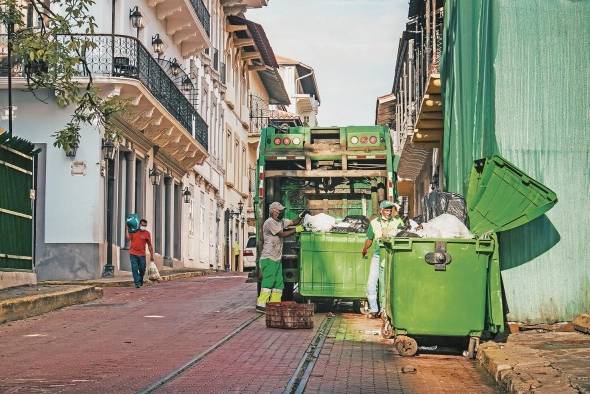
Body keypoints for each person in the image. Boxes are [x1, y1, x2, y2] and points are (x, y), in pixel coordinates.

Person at [256, 202, 305, 312]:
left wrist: (301, 215)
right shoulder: (269, 223)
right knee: (269, 281)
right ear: (273, 211)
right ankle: (261, 304)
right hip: (268, 257)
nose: (281, 212)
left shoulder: (281, 221)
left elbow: (294, 222)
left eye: (282, 211)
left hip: (276, 258)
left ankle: (274, 304)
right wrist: (297, 230)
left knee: (278, 284)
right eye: (279, 211)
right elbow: (282, 234)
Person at [361, 201, 405, 318]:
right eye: (386, 210)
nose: (389, 212)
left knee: (385, 283)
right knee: (371, 282)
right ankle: (374, 309)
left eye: (390, 210)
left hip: (392, 255)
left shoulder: (398, 222)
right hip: (377, 255)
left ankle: (385, 310)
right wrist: (364, 249)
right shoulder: (374, 223)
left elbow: (404, 235)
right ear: (381, 211)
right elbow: (369, 239)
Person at [126, 218, 155, 288]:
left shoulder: (147, 233)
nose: (143, 227)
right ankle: (137, 283)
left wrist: (152, 255)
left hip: (142, 254)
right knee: (134, 268)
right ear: (139, 224)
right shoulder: (134, 231)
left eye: (145, 225)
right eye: (142, 225)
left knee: (142, 269)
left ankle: (140, 280)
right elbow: (128, 238)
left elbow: (149, 245)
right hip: (133, 253)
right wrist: (127, 229)